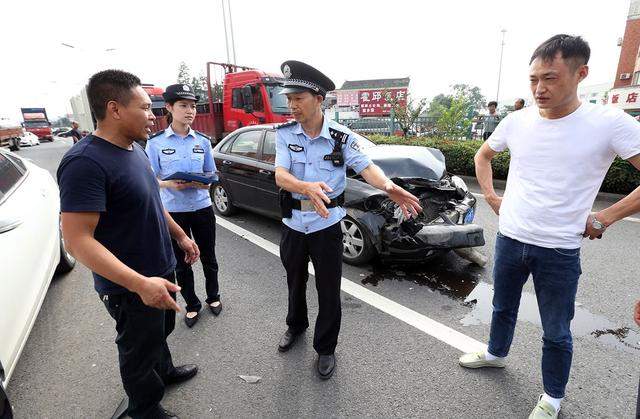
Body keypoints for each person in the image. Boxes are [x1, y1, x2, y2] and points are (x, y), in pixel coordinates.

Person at [458, 34, 640, 418]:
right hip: (511, 237)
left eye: (551, 78)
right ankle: (495, 353)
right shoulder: (516, 120)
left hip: (559, 249)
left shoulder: (608, 122)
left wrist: (605, 216)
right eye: (534, 79)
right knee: (502, 306)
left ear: (581, 73)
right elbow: (483, 155)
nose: (539, 89)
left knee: (556, 330)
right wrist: (491, 197)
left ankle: (552, 398)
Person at [57, 70, 202, 419]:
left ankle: (164, 372)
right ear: (114, 109)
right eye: (145, 107)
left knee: (161, 330)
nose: (154, 115)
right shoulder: (84, 163)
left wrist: (179, 235)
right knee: (138, 348)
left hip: (161, 269)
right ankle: (143, 409)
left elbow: (152, 201)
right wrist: (139, 284)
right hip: (130, 285)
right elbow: (77, 241)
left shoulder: (134, 150)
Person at [274, 60, 423, 379]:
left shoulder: (341, 138)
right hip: (293, 225)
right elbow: (280, 175)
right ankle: (295, 326)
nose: (292, 105)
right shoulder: (285, 134)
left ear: (318, 98)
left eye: (298, 97)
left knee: (328, 290)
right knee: (294, 280)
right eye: (289, 98)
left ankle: (325, 349)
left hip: (327, 227)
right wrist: (304, 186)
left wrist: (386, 185)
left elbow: (366, 166)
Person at [146, 83, 221, 328]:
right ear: (169, 107)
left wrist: (205, 183)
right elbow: (150, 179)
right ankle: (192, 304)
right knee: (181, 262)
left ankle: (213, 296)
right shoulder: (155, 143)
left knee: (209, 256)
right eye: (183, 106)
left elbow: (212, 172)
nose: (190, 111)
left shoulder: (202, 141)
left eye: (192, 106)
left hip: (202, 207)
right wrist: (170, 185)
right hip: (174, 212)